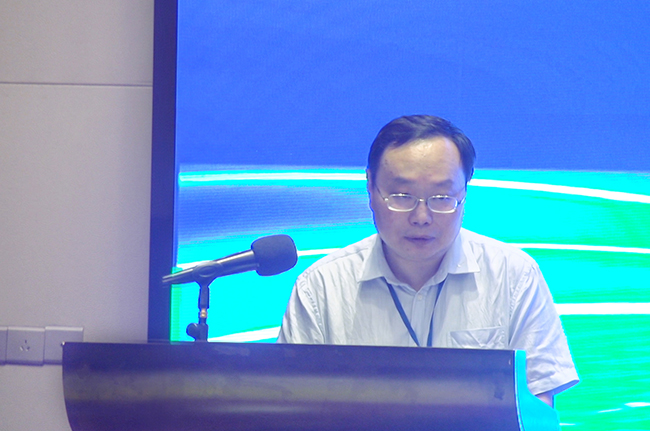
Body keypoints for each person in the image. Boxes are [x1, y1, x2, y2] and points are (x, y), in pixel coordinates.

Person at [277, 115, 579, 407]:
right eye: (402, 196)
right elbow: (293, 405)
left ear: (465, 191)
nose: (421, 217)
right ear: (370, 187)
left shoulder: (513, 276)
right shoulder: (321, 287)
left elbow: (537, 403)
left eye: (441, 198)